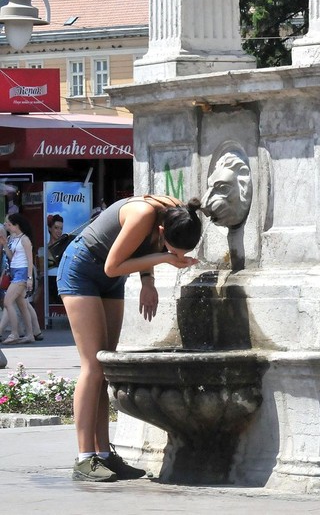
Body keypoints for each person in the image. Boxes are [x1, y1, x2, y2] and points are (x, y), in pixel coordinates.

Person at [57, 194, 203, 482]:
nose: (172, 255)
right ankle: (85, 458)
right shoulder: (142, 214)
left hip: (110, 278)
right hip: (82, 270)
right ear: (164, 232)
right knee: (93, 366)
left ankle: (105, 456)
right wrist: (164, 258)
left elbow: (142, 244)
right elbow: (113, 265)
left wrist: (148, 281)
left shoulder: (178, 214)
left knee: (105, 368)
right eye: (171, 249)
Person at [0, 214, 37, 344]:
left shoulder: (24, 240)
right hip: (16, 272)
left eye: (9, 224)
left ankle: (14, 333)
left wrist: (30, 278)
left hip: (21, 273)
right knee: (22, 305)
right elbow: (11, 257)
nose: (7, 226)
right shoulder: (14, 239)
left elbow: (30, 259)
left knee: (7, 302)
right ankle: (30, 334)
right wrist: (5, 245)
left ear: (16, 226)